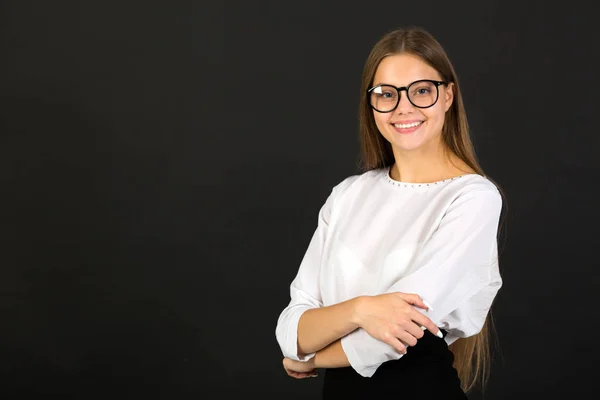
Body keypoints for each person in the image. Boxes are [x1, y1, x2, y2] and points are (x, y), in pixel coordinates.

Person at [275, 26, 505, 399]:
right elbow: (291, 327)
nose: (404, 107)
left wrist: (312, 360)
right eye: (386, 94)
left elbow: (399, 331)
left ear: (448, 96)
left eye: (422, 91)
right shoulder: (348, 195)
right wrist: (361, 310)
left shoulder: (472, 198)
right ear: (371, 104)